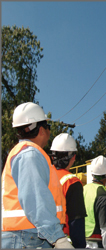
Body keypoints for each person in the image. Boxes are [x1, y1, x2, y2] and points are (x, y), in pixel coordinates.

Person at [1, 102, 73, 249]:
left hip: (25, 235)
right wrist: (58, 238)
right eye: (48, 127)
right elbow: (35, 199)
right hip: (28, 237)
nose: (49, 132)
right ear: (41, 130)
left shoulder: (22, 152)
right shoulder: (30, 154)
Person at [50, 133, 87, 248]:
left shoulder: (43, 174)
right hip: (61, 241)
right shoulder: (72, 182)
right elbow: (76, 222)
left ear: (52, 156)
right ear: (73, 157)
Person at [83, 155, 106, 249]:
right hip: (96, 244)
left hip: (80, 242)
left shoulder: (83, 189)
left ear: (92, 174)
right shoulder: (104, 196)